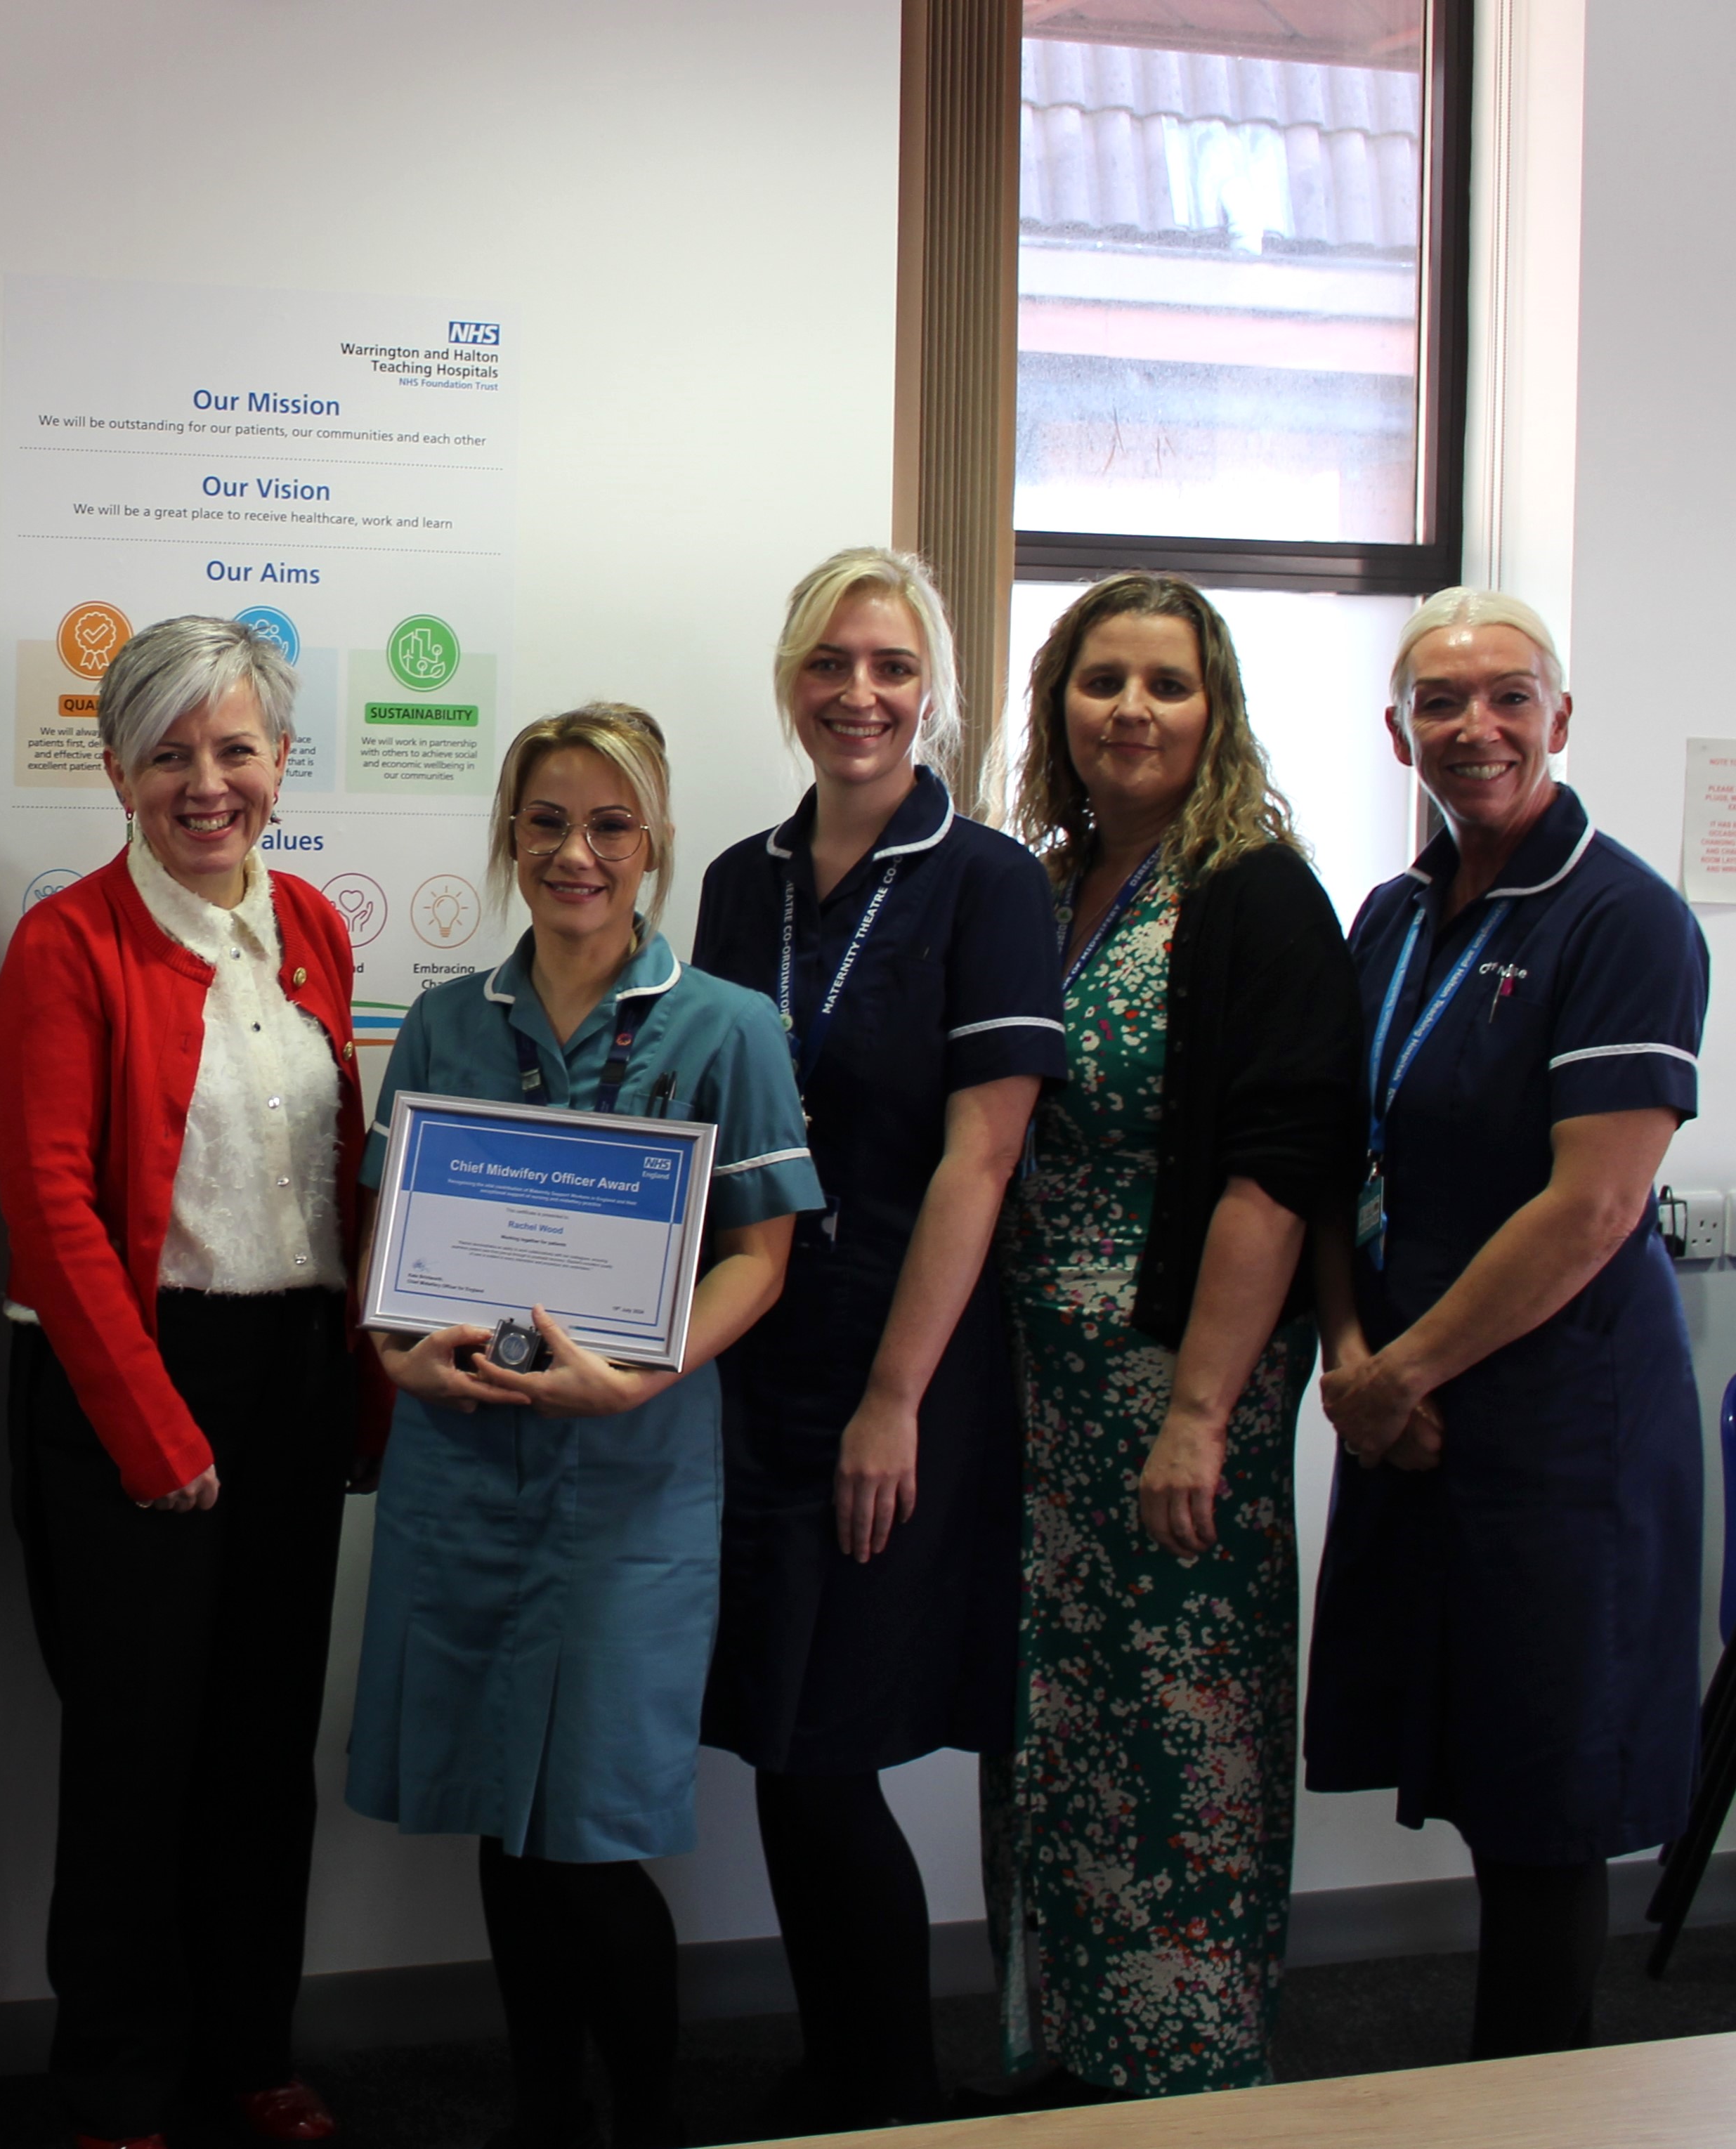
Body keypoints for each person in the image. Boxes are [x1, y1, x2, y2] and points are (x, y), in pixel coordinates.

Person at [349, 703, 820, 2149]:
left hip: (631, 1473)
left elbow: (763, 1254)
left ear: (655, 841)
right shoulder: (444, 1021)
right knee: (505, 1811)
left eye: (609, 824)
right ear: (510, 837)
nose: (576, 852)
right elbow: (388, 1239)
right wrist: (390, 1348)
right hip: (462, 1470)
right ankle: (546, 2107)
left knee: (594, 1834)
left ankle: (647, 2117)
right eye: (547, 822)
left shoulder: (729, 1026)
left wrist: (645, 1372)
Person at [690, 550, 1064, 2129]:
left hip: (896, 1359)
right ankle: (843, 2058)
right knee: (778, 1729)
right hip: (750, 1347)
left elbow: (980, 1157)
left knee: (828, 1737)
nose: (860, 693)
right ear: (791, 679)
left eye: (893, 667)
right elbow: (692, 1132)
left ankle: (894, 2088)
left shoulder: (989, 883)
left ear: (938, 693)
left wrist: (894, 1399)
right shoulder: (737, 879)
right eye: (832, 661)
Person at [0, 615, 374, 2149]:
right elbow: (49, 1205)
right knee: (137, 1759)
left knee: (265, 1754)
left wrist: (370, 1385)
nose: (205, 783)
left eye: (234, 750)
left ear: (281, 763)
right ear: (118, 771)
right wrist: (155, 1430)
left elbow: (337, 1182)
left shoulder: (316, 933)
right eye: (170, 753)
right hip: (129, 1381)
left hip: (291, 1375)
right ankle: (118, 2084)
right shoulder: (67, 942)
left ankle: (250, 2051)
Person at [1306, 590, 1706, 2060]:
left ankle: (1535, 2102)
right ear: (1398, 729)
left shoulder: (1627, 918)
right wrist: (1353, 1359)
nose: (1475, 728)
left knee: (1547, 1796)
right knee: (1464, 1748)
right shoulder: (1395, 918)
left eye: (1508, 697)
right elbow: (1336, 1156)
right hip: (1409, 1408)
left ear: (1560, 717)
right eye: (1442, 702)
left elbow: (1591, 1208)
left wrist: (1395, 1371)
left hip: (1559, 1424)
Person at [980, 572, 1360, 2101]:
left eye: (1167, 683)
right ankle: (1060, 2051)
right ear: (1058, 706)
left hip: (1172, 1392)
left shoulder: (1258, 893)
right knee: (1056, 1735)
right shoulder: (1040, 883)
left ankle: (1185, 2074)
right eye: (1100, 680)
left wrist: (1199, 1412)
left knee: (1180, 1739)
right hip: (1035, 1395)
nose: (1130, 709)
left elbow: (1281, 1167)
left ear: (1218, 713)